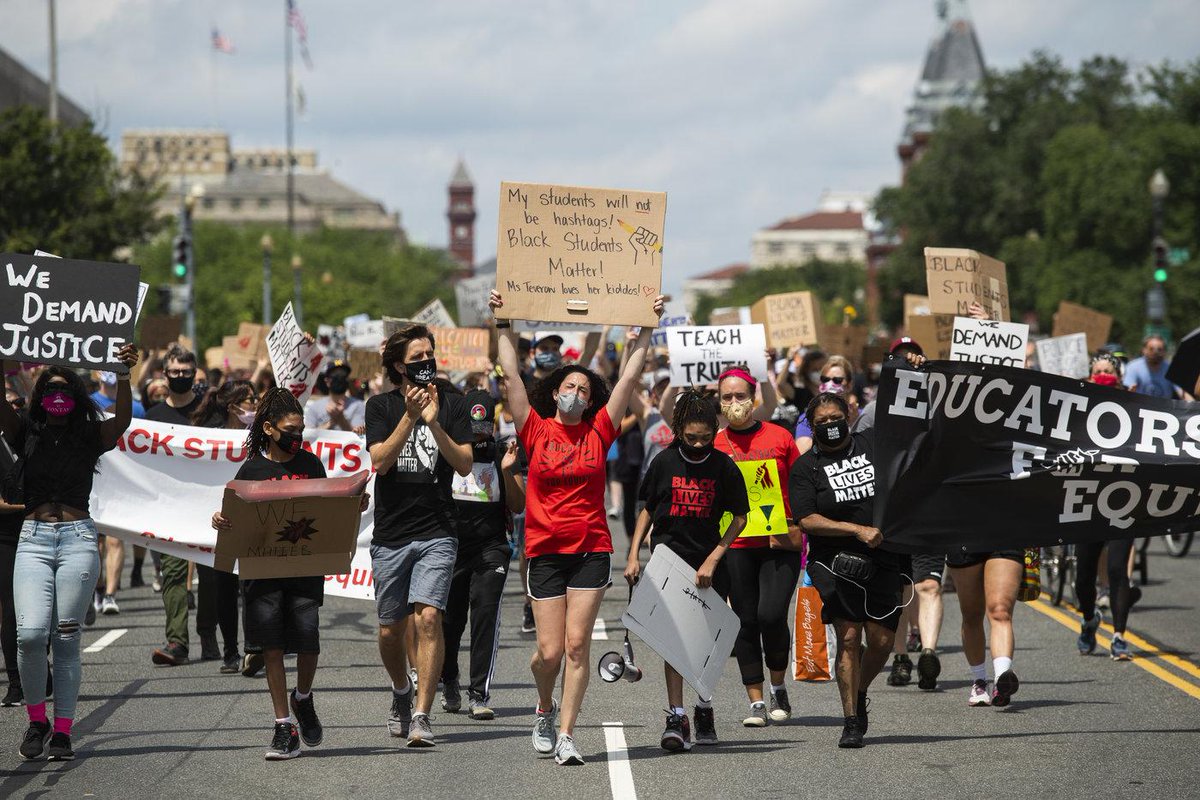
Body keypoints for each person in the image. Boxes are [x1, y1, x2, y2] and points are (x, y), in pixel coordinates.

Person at [490, 288, 664, 766]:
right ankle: (544, 708)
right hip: (545, 550)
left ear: (591, 402)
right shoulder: (534, 428)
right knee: (547, 654)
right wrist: (502, 322)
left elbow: (629, 375)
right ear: (555, 393)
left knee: (575, 647)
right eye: (569, 386)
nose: (576, 393)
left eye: (584, 390)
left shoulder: (600, 429)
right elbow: (511, 373)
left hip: (590, 549)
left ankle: (567, 734)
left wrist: (646, 327)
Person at [212, 388, 368, 760]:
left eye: (300, 430)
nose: (296, 436)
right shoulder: (252, 470)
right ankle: (283, 725)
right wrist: (221, 520)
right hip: (263, 572)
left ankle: (303, 697)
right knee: (272, 648)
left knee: (309, 640)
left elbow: (328, 510)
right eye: (289, 430)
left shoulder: (311, 465)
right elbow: (235, 513)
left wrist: (354, 505)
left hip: (304, 568)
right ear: (268, 428)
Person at [0, 346, 139, 761]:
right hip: (33, 539)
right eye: (49, 388)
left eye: (64, 388)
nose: (56, 395)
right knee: (29, 635)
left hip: (77, 539)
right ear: (39, 396)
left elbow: (122, 422)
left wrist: (124, 375)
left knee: (65, 637)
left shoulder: (88, 435)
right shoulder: (25, 432)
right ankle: (36, 720)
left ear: (76, 397)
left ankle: (62, 731)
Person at [366, 324, 474, 749]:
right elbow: (380, 462)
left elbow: (464, 464)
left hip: (438, 530)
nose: (426, 361)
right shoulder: (380, 406)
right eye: (417, 358)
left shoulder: (453, 404)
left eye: (430, 354)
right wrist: (410, 417)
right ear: (399, 366)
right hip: (392, 534)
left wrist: (434, 422)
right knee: (390, 630)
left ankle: (422, 715)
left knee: (429, 617)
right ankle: (401, 690)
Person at [625, 389, 749, 751]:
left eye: (705, 438)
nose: (698, 445)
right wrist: (633, 555)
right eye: (691, 438)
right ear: (678, 430)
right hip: (669, 560)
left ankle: (704, 705)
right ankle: (676, 716)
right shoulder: (664, 462)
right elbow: (648, 509)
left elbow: (740, 517)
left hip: (708, 562)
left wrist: (714, 557)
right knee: (674, 641)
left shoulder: (724, 466)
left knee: (705, 641)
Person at [789, 391, 906, 748]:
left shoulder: (873, 443)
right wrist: (855, 530)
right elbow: (807, 519)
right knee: (850, 637)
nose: (830, 425)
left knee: (882, 642)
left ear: (849, 416)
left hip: (884, 555)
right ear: (812, 427)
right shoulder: (805, 468)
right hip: (834, 561)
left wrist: (915, 370)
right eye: (822, 422)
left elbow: (911, 421)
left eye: (835, 418)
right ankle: (851, 720)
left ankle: (860, 689)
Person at [712, 368, 802, 728]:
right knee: (744, 620)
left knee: (771, 615)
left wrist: (801, 525)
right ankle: (757, 701)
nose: (734, 403)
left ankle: (778, 687)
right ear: (719, 402)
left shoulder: (780, 436)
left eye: (740, 396)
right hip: (735, 544)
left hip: (779, 541)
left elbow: (801, 485)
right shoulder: (714, 443)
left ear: (754, 398)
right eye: (727, 397)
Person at [440, 390, 525, 720]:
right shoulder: (449, 451)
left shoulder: (503, 451)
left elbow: (518, 505)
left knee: (485, 617)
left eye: (483, 429)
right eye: (472, 429)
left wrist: (507, 470)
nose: (478, 436)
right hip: (451, 548)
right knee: (449, 622)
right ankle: (448, 678)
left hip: (491, 549)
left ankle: (479, 693)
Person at [1075, 353, 1139, 661]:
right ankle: (1090, 620)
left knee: (1116, 570)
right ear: (1089, 377)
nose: (1103, 375)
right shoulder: (1076, 407)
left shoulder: (1135, 408)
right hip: (1086, 499)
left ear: (1119, 377)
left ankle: (1119, 636)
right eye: (1098, 371)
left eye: (1108, 371)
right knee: (1083, 577)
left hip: (1123, 498)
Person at [191, 381, 258, 673]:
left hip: (254, 521)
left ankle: (253, 649)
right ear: (233, 407)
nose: (255, 404)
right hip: (221, 524)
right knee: (226, 590)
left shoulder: (261, 437)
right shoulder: (211, 440)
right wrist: (211, 512)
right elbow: (200, 483)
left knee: (253, 588)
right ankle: (230, 651)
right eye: (250, 400)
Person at [147, 346, 205, 667]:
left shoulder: (208, 412)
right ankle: (177, 641)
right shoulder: (153, 418)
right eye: (175, 372)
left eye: (186, 372)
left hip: (209, 505)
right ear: (164, 374)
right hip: (170, 508)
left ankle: (213, 639)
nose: (180, 376)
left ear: (195, 374)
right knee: (172, 573)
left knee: (215, 577)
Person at [794, 355, 858, 455]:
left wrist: (852, 425)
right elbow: (802, 452)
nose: (830, 384)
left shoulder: (861, 415)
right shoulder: (808, 418)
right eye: (825, 379)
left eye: (837, 380)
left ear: (849, 385)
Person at [305, 361, 365, 433]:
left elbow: (358, 436)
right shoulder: (315, 407)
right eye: (335, 377)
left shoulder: (358, 405)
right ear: (327, 381)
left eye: (343, 376)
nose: (339, 380)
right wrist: (331, 422)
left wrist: (341, 418)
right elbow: (308, 434)